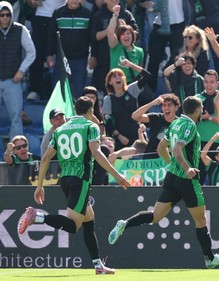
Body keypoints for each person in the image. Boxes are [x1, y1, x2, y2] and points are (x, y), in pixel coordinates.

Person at [107, 96, 219, 269]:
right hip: (187, 179)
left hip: (172, 177)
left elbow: (160, 148)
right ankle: (210, 259)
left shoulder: (175, 123)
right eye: (201, 107)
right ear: (197, 110)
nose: (202, 109)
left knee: (155, 216)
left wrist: (171, 165)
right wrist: (186, 168)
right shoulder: (188, 125)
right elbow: (176, 148)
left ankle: (125, 223)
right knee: (201, 220)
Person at [17, 96, 131, 275]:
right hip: (81, 179)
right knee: (72, 226)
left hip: (66, 179)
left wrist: (39, 185)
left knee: (89, 221)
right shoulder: (90, 127)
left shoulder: (60, 130)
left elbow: (46, 157)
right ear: (91, 111)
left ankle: (98, 265)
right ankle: (37, 217)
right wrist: (116, 175)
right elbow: (96, 152)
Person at [0, 1, 35, 140]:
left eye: (8, 14)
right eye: (2, 15)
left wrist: (21, 70)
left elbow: (31, 52)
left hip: (12, 81)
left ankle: (18, 153)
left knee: (16, 117)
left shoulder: (20, 29)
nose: (5, 17)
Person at [46, 0, 93, 100]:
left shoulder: (87, 14)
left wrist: (93, 55)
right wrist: (49, 54)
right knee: (59, 90)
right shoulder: (58, 13)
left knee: (78, 90)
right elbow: (51, 36)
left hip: (80, 59)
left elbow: (92, 37)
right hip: (61, 59)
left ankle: (76, 114)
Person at [102, 59, 151, 150]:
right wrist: (119, 136)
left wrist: (131, 65)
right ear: (110, 82)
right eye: (114, 77)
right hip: (121, 139)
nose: (118, 78)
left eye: (120, 75)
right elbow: (108, 122)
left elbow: (147, 76)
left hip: (138, 136)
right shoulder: (108, 99)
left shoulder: (132, 90)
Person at [91, 0, 137, 93]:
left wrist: (126, 29)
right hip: (105, 57)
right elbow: (95, 36)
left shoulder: (126, 14)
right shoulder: (98, 15)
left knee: (126, 87)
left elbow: (136, 34)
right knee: (106, 88)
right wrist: (109, 31)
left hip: (124, 57)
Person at [194, 69, 219, 184]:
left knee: (217, 178)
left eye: (211, 82)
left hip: (218, 143)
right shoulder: (196, 98)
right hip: (200, 142)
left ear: (217, 83)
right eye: (206, 82)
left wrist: (209, 117)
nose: (208, 85)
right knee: (198, 177)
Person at [25, 0, 66, 100]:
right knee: (37, 54)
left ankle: (64, 91)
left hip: (63, 15)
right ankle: (34, 89)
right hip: (41, 16)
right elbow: (30, 2)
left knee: (63, 54)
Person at [131, 93, 180, 159]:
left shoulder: (180, 123)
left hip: (169, 161)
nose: (166, 108)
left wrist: (169, 150)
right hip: (150, 161)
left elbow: (184, 145)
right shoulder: (157, 117)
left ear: (176, 107)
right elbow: (135, 116)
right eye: (164, 105)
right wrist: (153, 103)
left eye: (169, 105)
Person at [107, 4, 145, 84]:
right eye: (123, 34)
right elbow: (110, 32)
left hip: (133, 85)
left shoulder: (139, 51)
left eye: (128, 33)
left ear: (133, 35)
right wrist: (115, 15)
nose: (126, 36)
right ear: (119, 37)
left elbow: (140, 69)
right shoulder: (116, 47)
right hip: (117, 84)